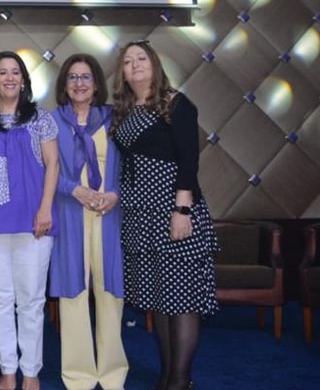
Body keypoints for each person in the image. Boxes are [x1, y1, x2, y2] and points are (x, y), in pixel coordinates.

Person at [110, 40, 217, 390]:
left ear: (154, 64)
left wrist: (181, 210)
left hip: (174, 212)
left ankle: (181, 380)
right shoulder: (124, 110)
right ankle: (167, 376)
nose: (135, 65)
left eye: (141, 58)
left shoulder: (176, 104)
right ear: (123, 73)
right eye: (128, 61)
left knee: (182, 300)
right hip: (140, 216)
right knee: (159, 300)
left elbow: (189, 161)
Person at [0, 51, 59, 390]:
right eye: (3, 72)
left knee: (31, 300)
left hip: (33, 222)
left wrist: (45, 209)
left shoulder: (40, 118)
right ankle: (7, 370)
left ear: (24, 80)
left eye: (16, 72)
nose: (10, 78)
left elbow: (53, 164)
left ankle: (30, 371)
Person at [48, 54, 128, 390]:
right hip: (69, 211)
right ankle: (79, 376)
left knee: (109, 292)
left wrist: (115, 194)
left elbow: (131, 167)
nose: (79, 83)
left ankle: (112, 374)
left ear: (96, 84)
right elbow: (43, 170)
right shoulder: (51, 122)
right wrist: (74, 190)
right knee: (73, 294)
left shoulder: (115, 118)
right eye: (72, 77)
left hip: (108, 213)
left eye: (85, 77)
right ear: (64, 85)